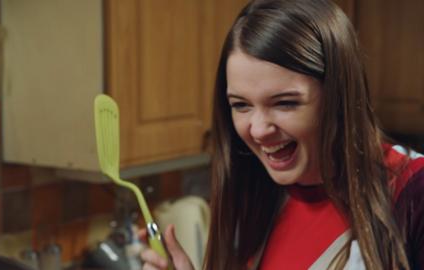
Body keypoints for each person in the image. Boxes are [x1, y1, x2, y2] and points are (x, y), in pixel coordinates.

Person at [140, 0, 424, 269]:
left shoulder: (413, 193)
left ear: (339, 96)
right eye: (241, 105)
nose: (259, 130)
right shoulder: (258, 192)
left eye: (285, 103)